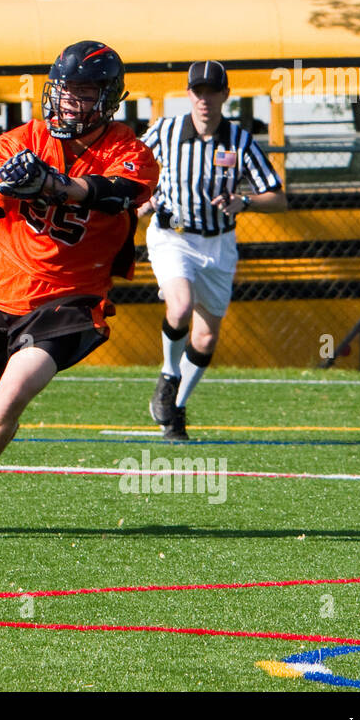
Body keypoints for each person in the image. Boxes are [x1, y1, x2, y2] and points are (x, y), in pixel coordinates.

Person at [0, 41, 158, 542]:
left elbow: (116, 194)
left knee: (11, 396)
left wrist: (53, 184)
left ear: (107, 97)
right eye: (65, 89)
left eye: (85, 91)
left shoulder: (128, 149)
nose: (70, 100)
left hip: (70, 297)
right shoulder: (16, 144)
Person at [138, 60, 286, 441]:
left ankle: (175, 410)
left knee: (205, 339)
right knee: (180, 307)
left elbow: (278, 196)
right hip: (173, 236)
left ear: (225, 94)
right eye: (197, 91)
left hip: (219, 244)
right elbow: (131, 166)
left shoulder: (239, 140)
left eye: (212, 91)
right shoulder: (166, 130)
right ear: (188, 94)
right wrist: (143, 200)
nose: (204, 99)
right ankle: (169, 375)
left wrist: (246, 202)